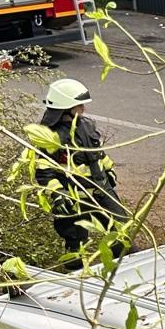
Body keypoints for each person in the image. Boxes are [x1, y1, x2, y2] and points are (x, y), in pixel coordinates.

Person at [38, 78, 129, 260]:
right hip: (75, 199)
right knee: (76, 245)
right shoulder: (50, 137)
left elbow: (98, 154)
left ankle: (124, 267)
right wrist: (58, 194)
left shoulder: (87, 125)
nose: (83, 108)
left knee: (122, 231)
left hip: (101, 191)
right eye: (79, 105)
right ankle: (76, 277)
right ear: (66, 108)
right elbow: (44, 171)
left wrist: (108, 170)